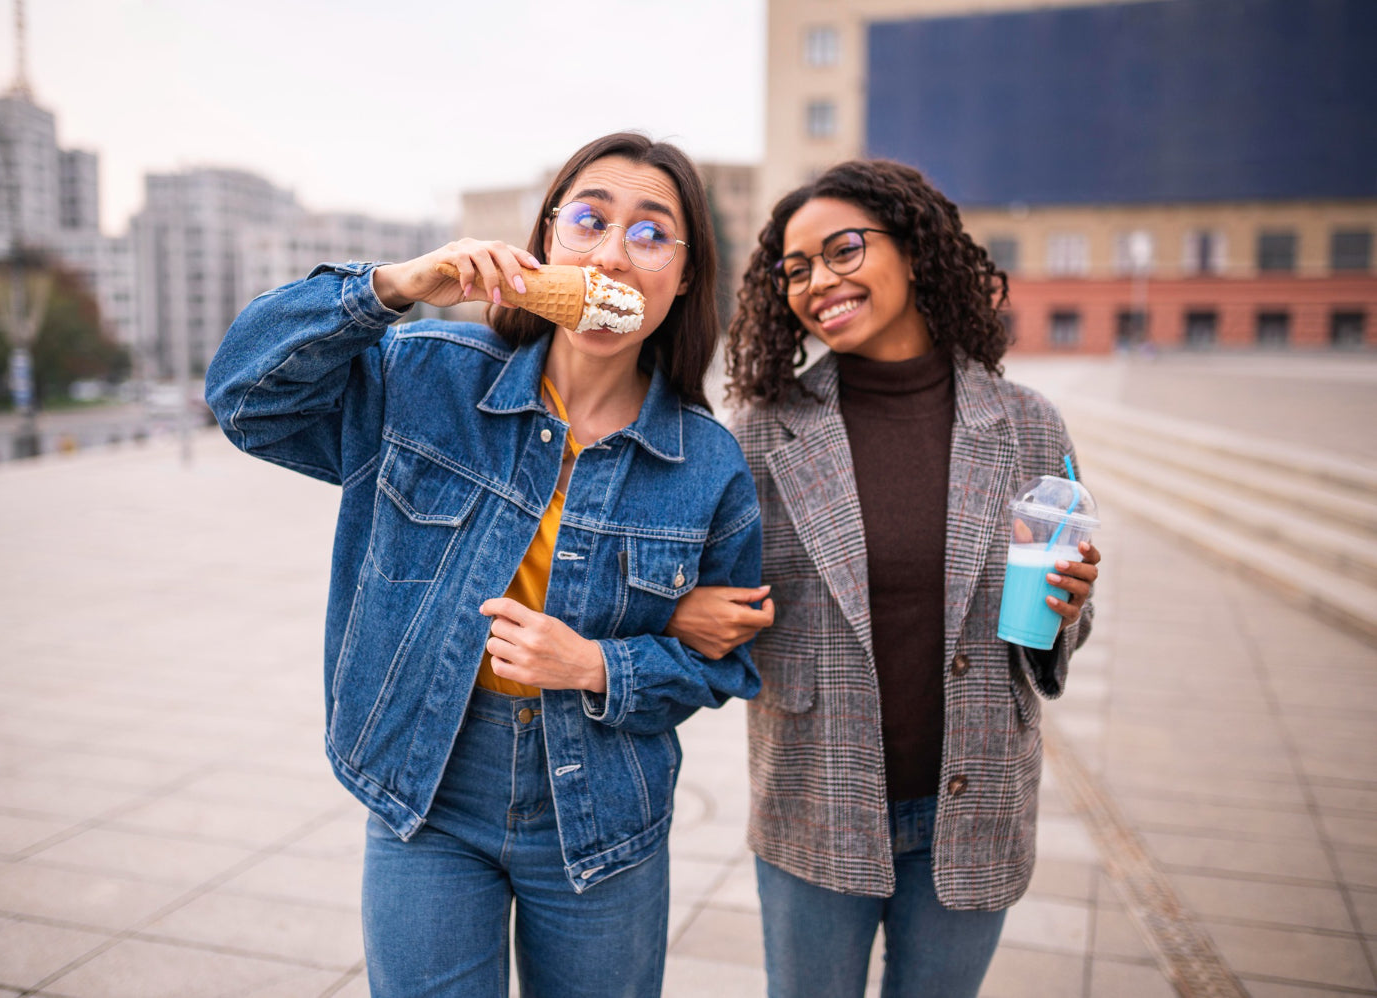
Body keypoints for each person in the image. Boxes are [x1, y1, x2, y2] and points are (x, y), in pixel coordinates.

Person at [205, 132, 763, 998]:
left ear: (685, 279)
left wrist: (597, 664)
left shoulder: (710, 468)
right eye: (589, 221)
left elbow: (725, 661)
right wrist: (393, 287)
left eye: (653, 234)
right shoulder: (426, 378)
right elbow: (244, 396)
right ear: (545, 242)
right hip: (427, 786)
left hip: (602, 807)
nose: (614, 253)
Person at [666, 159, 1103, 998]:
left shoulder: (1025, 425)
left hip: (973, 805)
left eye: (843, 251)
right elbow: (685, 589)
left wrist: (1070, 604)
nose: (818, 281)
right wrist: (686, 612)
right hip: (814, 798)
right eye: (796, 270)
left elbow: (1054, 626)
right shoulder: (760, 436)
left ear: (912, 252)